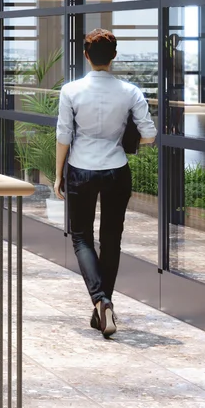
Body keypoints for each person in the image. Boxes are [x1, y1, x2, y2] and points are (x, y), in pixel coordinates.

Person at [55, 28, 157, 338]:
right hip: (116, 170)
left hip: (81, 169)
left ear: (86, 56)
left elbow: (63, 135)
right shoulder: (130, 92)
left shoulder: (71, 91)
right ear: (113, 57)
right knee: (111, 238)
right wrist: (123, 137)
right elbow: (149, 135)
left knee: (82, 237)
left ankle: (101, 301)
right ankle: (105, 305)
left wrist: (58, 175)